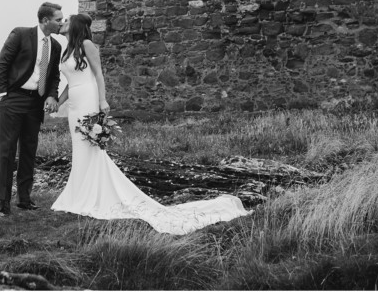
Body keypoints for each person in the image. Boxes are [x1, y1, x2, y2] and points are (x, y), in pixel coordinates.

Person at [51, 13, 250, 234]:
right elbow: (71, 83)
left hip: (88, 98)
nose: (62, 24)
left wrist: (102, 100)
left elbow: (98, 75)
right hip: (75, 103)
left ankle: (93, 193)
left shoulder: (88, 45)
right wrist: (58, 102)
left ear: (76, 25)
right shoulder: (68, 49)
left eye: (66, 21)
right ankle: (78, 192)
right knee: (78, 147)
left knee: (90, 146)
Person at [0, 2, 64, 217]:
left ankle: (24, 198)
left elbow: (54, 76)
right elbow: (2, 63)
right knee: (7, 151)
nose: (61, 22)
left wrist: (52, 95)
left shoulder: (56, 47)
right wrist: (4, 94)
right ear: (45, 20)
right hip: (13, 99)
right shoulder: (20, 34)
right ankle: (3, 202)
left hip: (36, 103)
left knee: (29, 151)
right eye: (58, 19)